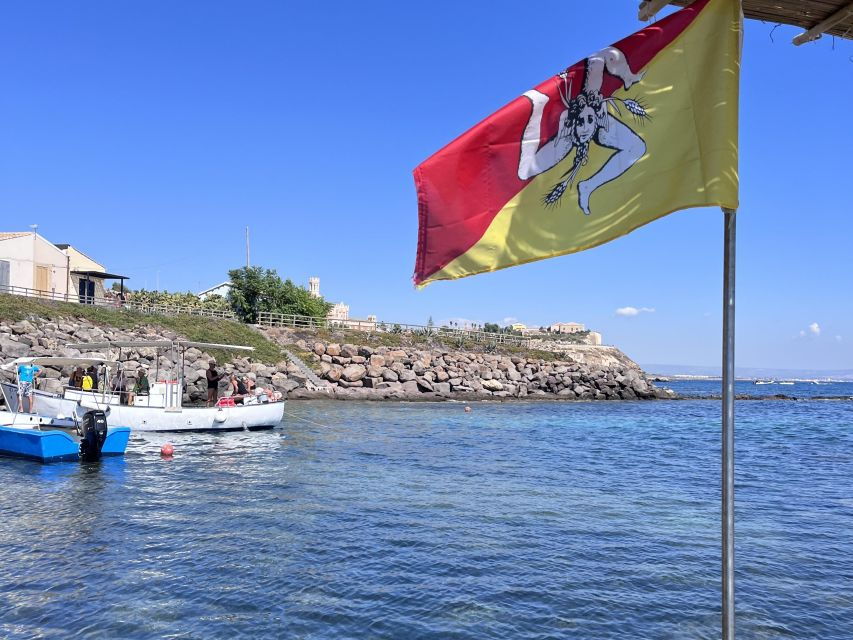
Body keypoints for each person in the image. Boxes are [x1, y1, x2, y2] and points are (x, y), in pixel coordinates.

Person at [517, 45, 647, 214]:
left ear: (598, 116)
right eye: (581, 121)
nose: (585, 127)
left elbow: (607, 54)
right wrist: (537, 109)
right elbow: (524, 171)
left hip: (600, 126)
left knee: (638, 147)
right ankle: (540, 105)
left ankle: (588, 186)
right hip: (570, 135)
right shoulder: (564, 143)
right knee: (525, 172)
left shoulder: (600, 118)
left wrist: (627, 76)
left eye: (589, 119)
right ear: (573, 122)